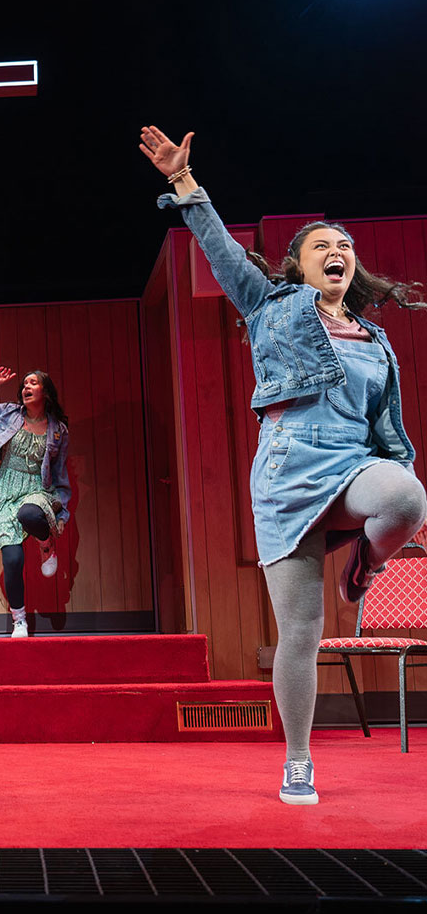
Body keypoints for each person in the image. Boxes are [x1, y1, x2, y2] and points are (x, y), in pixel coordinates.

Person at [139, 125, 427, 805]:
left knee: (406, 496)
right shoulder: (269, 305)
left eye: (345, 247)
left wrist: (384, 517)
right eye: (322, 247)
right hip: (286, 475)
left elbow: (388, 433)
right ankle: (298, 760)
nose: (338, 253)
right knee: (299, 632)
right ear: (297, 267)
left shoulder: (377, 343)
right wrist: (183, 182)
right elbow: (217, 249)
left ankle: (365, 562)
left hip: (353, 466)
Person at [0, 368, 70, 638]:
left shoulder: (58, 430)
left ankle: (46, 545)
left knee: (30, 514)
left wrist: (62, 512)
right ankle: (19, 619)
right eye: (24, 384)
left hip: (37, 489)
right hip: (6, 491)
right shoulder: (8, 413)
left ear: (45, 391)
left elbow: (60, 475)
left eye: (34, 383)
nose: (26, 387)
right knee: (12, 559)